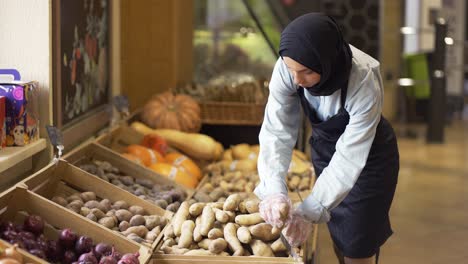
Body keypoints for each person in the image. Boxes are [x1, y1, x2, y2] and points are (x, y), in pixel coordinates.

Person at [254, 13, 399, 264]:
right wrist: (273, 189)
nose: (297, 80)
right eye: (292, 71)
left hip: (369, 156)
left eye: (307, 72)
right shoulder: (289, 65)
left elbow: (350, 157)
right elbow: (277, 130)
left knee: (358, 242)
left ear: (327, 61)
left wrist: (310, 210)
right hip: (324, 149)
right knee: (340, 237)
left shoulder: (363, 78)